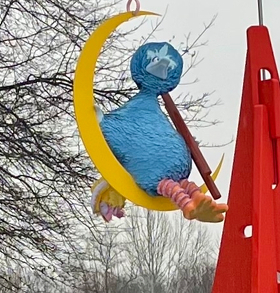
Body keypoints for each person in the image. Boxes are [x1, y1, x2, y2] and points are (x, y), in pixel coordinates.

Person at [94, 40, 224, 222]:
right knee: (174, 185)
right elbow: (125, 131)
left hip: (169, 160)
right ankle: (191, 203)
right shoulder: (139, 111)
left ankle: (196, 201)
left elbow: (117, 129)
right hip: (168, 163)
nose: (161, 64)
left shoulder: (140, 111)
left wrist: (100, 122)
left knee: (173, 185)